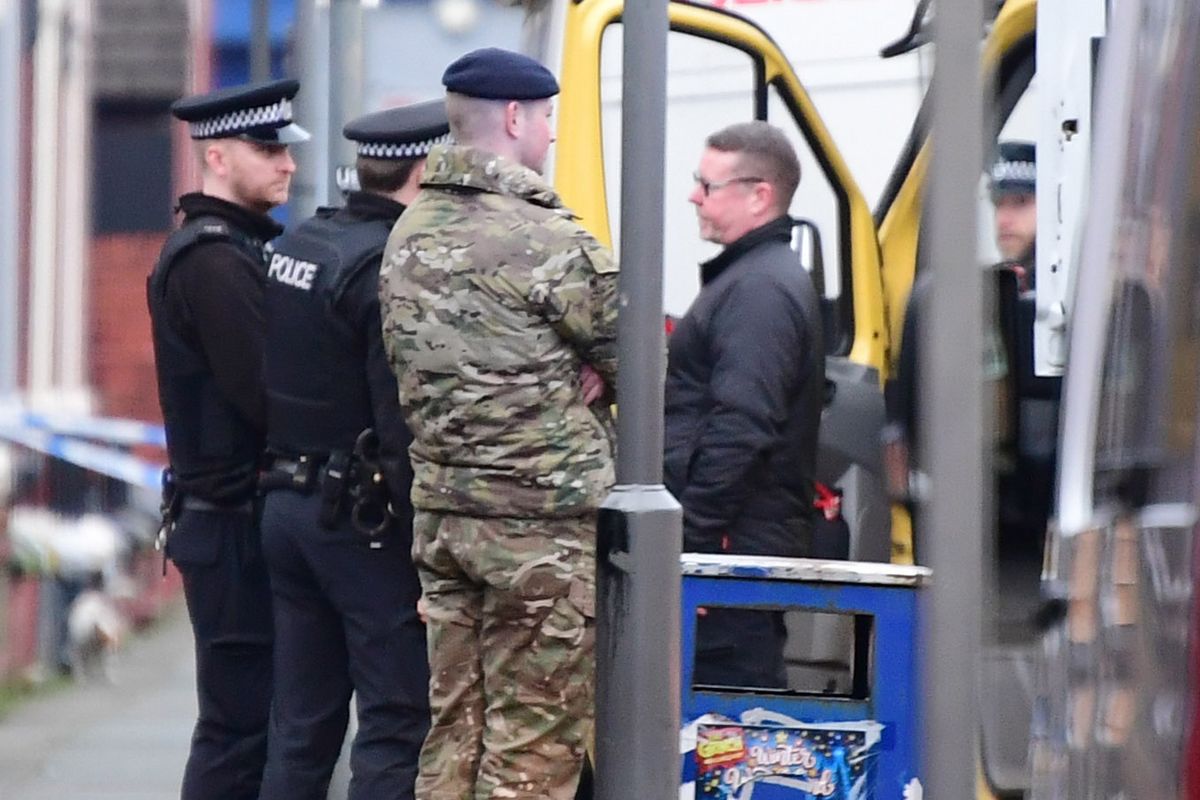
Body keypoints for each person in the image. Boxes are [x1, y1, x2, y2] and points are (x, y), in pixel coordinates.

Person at [378, 48, 618, 800]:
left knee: (453, 733)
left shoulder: (410, 230)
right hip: (538, 531)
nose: (548, 134)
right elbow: (643, 363)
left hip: (445, 518)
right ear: (516, 118)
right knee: (533, 748)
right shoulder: (548, 238)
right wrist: (592, 372)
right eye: (545, 118)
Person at [256, 101, 446, 800]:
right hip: (359, 525)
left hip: (287, 504)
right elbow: (399, 428)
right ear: (423, 171)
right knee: (397, 720)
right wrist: (426, 542)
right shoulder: (387, 266)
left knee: (301, 727)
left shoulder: (301, 245)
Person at [147, 78, 307, 800]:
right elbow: (265, 395)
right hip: (231, 522)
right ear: (217, 157)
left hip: (230, 520)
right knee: (240, 728)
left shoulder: (235, 248)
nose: (287, 165)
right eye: (267, 148)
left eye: (287, 150)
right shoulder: (213, 259)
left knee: (254, 723)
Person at [663, 121, 824, 688]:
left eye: (706, 185)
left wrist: (691, 543)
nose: (692, 197)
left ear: (759, 195)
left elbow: (743, 426)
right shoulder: (751, 280)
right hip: (730, 552)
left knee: (730, 722)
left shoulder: (759, 291)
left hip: (729, 558)